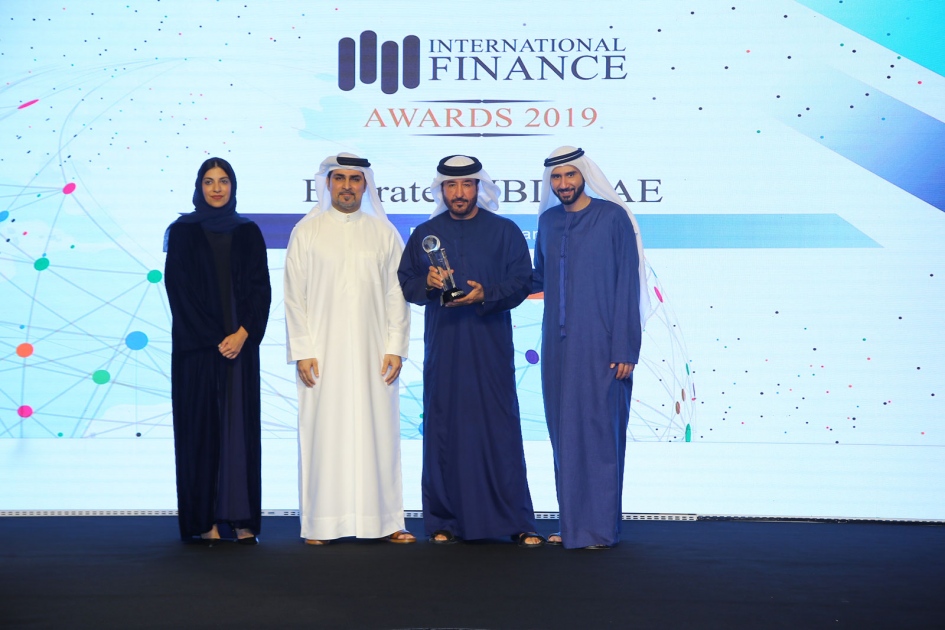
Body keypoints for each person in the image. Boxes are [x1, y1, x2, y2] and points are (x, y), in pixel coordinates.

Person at [398, 155, 543, 548]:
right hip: (445, 345)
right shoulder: (426, 233)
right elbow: (407, 283)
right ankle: (444, 520)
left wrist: (485, 294)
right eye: (451, 185)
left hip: (489, 343)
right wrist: (428, 284)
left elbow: (522, 281)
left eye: (466, 185)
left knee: (499, 427)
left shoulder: (505, 231)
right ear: (441, 189)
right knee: (445, 428)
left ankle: (516, 520)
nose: (458, 193)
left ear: (479, 187)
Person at [284, 153, 414, 545]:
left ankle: (386, 521)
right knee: (324, 435)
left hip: (375, 354)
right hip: (320, 356)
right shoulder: (307, 231)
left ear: (365, 185)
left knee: (379, 434)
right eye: (339, 178)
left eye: (354, 179)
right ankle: (321, 524)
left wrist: (396, 346)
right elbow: (294, 296)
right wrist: (302, 349)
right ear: (327, 183)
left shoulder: (383, 233)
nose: (346, 186)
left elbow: (397, 295)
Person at [532, 146, 651, 549]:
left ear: (584, 175)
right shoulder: (548, 222)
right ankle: (572, 526)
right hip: (557, 348)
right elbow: (538, 278)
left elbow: (628, 284)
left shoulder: (612, 217)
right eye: (556, 177)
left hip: (604, 346)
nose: (563, 183)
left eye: (570, 175)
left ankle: (598, 529)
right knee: (565, 436)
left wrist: (625, 347)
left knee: (600, 437)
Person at [164, 157, 272, 545]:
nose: (216, 188)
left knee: (239, 431)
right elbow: (179, 292)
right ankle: (204, 520)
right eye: (208, 181)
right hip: (197, 351)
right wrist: (217, 338)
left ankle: (241, 518)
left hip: (240, 349)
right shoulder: (182, 233)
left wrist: (243, 333)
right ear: (199, 187)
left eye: (223, 181)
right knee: (201, 432)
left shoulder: (248, 231)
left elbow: (261, 289)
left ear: (233, 186)